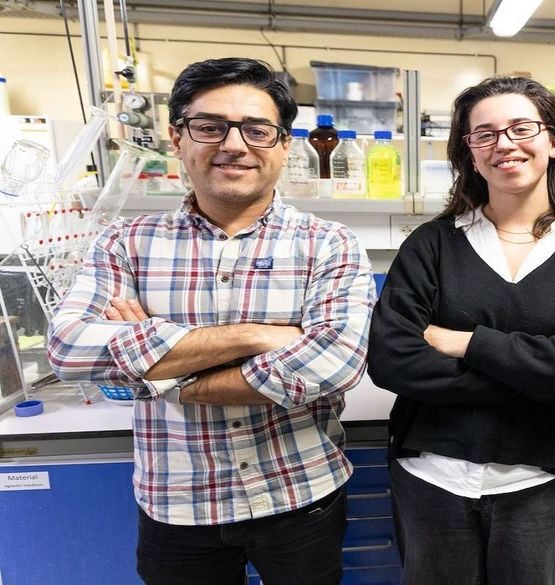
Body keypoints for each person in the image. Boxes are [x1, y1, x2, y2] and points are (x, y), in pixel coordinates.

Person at [47, 57, 374, 585]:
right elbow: (69, 349)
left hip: (300, 493)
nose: (234, 144)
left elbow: (332, 365)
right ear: (177, 138)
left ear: (283, 145)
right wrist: (254, 337)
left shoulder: (328, 243)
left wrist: (159, 373)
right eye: (210, 126)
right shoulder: (126, 242)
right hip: (176, 500)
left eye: (257, 130)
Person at [366, 76, 555, 585]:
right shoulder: (430, 245)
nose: (504, 144)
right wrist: (542, 372)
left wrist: (464, 342)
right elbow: (391, 360)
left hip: (540, 481)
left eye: (521, 128)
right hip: (432, 477)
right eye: (484, 134)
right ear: (469, 152)